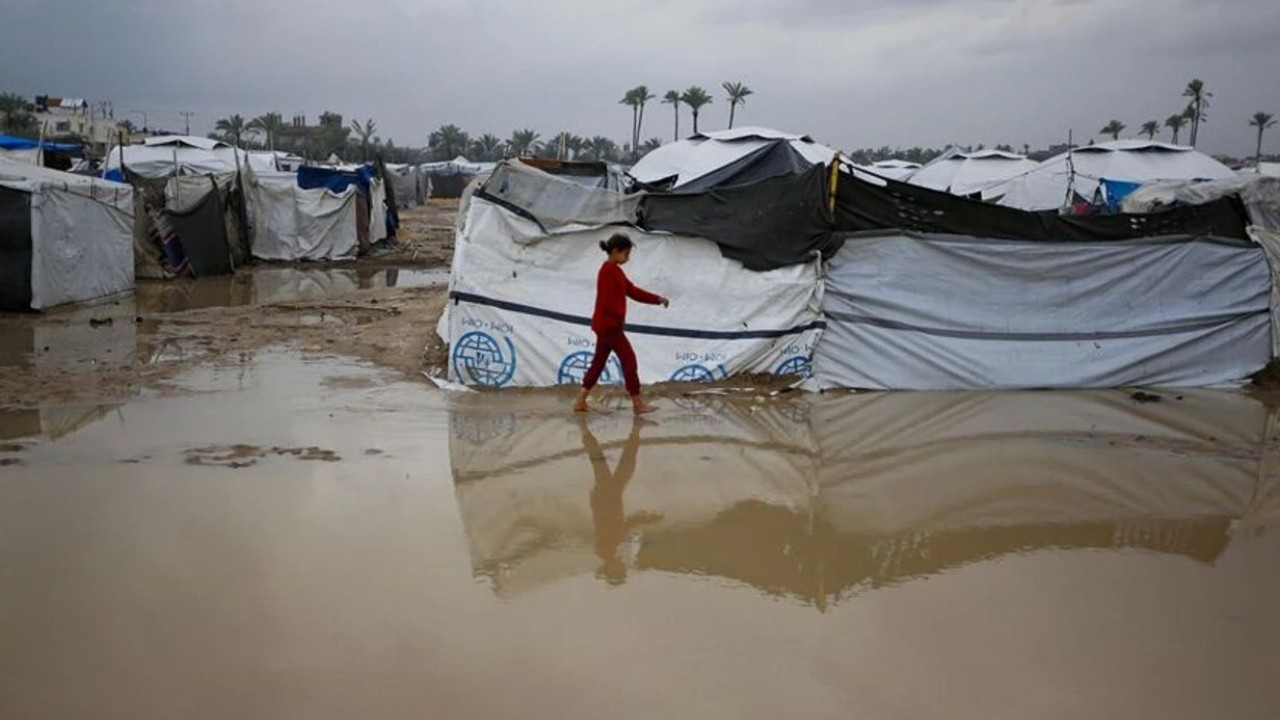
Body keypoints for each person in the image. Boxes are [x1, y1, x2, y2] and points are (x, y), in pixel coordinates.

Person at [573, 233, 669, 415]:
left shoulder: (613, 270)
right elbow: (608, 302)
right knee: (629, 361)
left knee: (598, 363)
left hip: (605, 326)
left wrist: (656, 299)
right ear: (616, 251)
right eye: (626, 254)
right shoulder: (609, 271)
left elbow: (632, 291)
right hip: (610, 327)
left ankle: (580, 401)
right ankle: (638, 404)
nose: (628, 258)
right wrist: (617, 320)